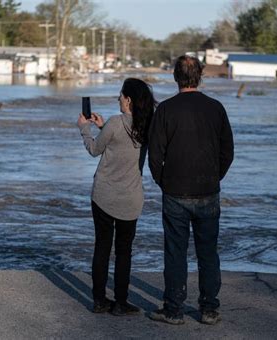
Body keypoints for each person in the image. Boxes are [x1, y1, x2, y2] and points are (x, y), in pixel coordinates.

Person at [148, 55, 234, 325]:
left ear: (175, 77)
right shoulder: (216, 108)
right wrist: (213, 177)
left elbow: (154, 155)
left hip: (175, 191)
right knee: (208, 252)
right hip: (208, 190)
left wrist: (165, 181)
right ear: (200, 77)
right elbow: (227, 152)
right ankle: (209, 309)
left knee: (175, 252)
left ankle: (174, 309)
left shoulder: (164, 110)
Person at [77, 78, 156, 316]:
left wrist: (85, 128)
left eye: (120, 96)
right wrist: (103, 128)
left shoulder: (114, 123)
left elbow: (94, 150)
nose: (118, 99)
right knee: (124, 252)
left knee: (102, 247)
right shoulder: (148, 126)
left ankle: (99, 301)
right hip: (131, 199)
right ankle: (121, 302)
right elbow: (125, 143)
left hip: (103, 195)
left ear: (129, 100)